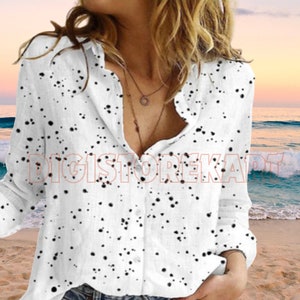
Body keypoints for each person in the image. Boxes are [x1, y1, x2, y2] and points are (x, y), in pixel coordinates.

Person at [0, 0, 257, 299]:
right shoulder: (52, 62)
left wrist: (237, 269)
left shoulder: (231, 80)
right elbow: (20, 188)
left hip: (191, 290)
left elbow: (230, 202)